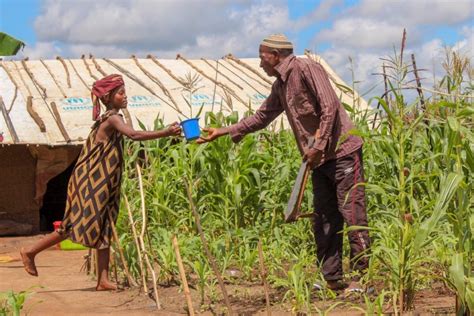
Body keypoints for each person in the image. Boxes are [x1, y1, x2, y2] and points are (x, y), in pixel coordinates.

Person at [197, 34, 370, 292]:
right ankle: (331, 277)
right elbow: (262, 117)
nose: (260, 64)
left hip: (342, 152)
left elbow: (330, 107)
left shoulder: (307, 68)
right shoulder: (280, 86)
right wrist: (222, 131)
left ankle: (362, 280)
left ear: (275, 55)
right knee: (324, 218)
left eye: (261, 57)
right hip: (318, 159)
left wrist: (319, 144)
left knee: (352, 214)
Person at [20, 74, 181, 291]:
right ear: (108, 96)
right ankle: (31, 251)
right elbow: (134, 135)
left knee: (105, 226)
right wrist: (166, 132)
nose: (125, 97)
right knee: (75, 224)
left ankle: (102, 280)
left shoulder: (109, 117)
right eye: (121, 93)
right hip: (91, 183)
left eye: (125, 92)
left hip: (104, 183)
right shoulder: (114, 119)